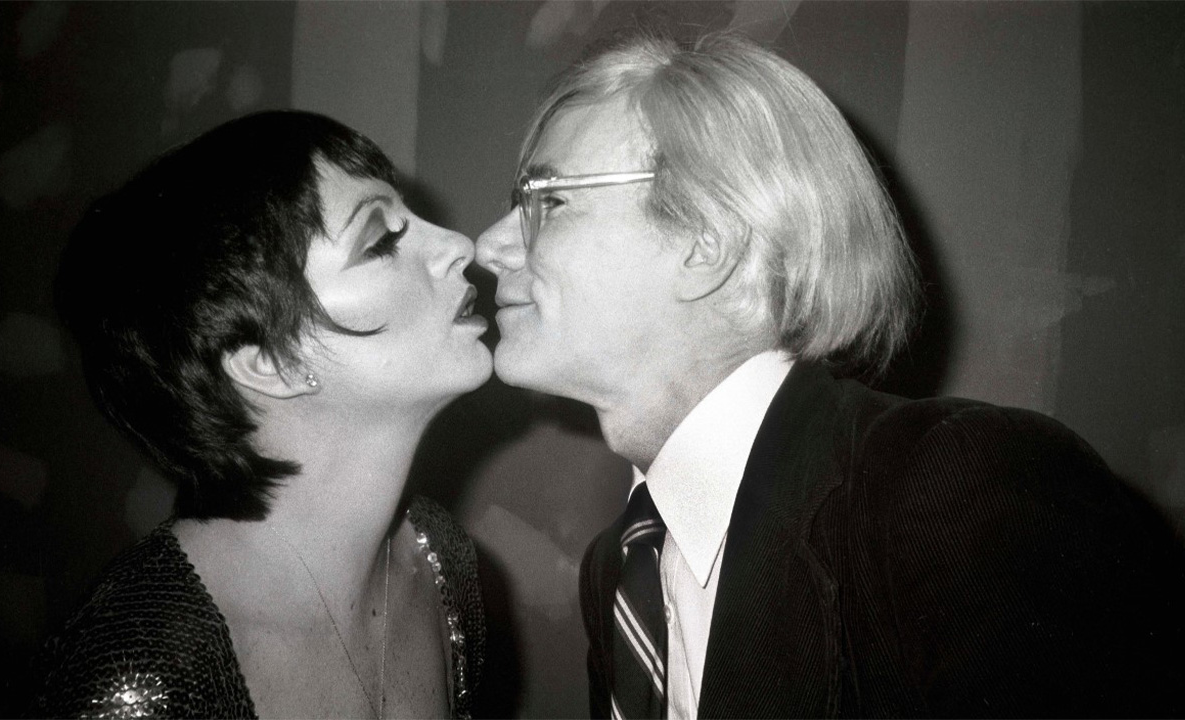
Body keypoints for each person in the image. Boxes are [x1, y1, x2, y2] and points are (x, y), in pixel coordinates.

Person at [475, 31, 1185, 719]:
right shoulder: (618, 568)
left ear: (705, 241)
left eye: (548, 201)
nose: (489, 245)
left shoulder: (953, 485)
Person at [33, 111, 489, 719]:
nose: (458, 246)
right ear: (272, 363)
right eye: (380, 240)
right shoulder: (144, 672)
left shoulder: (438, 557)